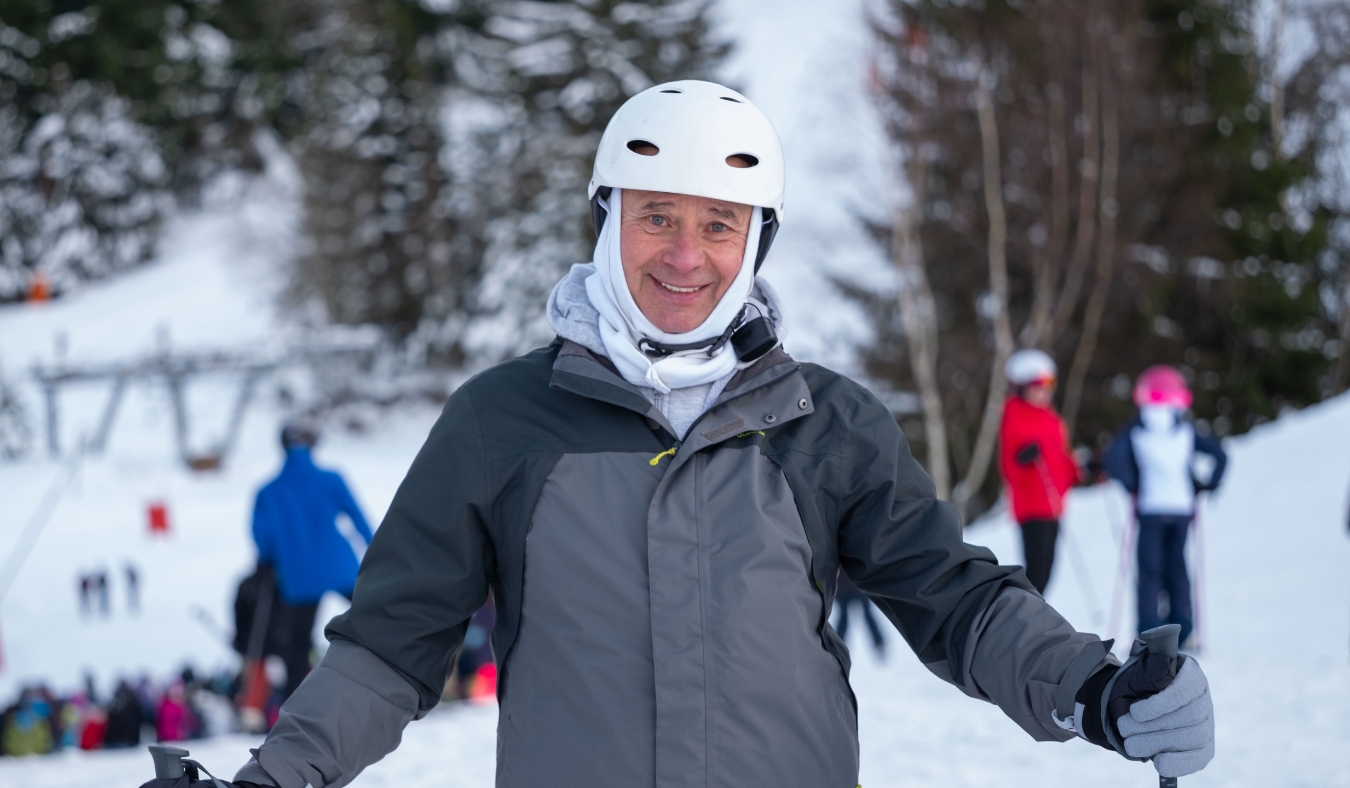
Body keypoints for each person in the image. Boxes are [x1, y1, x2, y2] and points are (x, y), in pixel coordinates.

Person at [225, 81, 1214, 788]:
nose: (686, 256)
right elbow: (388, 648)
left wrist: (1095, 687)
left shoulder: (827, 422)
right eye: (658, 218)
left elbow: (957, 600)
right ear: (609, 222)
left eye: (720, 224)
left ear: (756, 243)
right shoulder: (500, 420)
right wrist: (276, 776)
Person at [1105, 365, 1227, 647]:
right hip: (1182, 509)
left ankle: (1148, 631)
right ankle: (1183, 630)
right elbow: (1220, 455)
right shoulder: (1184, 429)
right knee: (1178, 569)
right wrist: (1206, 485)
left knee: (1150, 571)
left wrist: (1132, 484)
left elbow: (1114, 460)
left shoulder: (1137, 428)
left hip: (1150, 510)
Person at [250, 420, 372, 699]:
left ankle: (295, 702)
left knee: (298, 642)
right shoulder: (331, 479)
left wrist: (270, 561)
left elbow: (262, 537)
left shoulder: (268, 491)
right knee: (374, 616)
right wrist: (378, 549)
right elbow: (358, 517)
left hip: (297, 577)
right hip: (338, 566)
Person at [997, 349, 1081, 595]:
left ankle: (1032, 620)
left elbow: (1061, 457)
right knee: (1037, 569)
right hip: (1032, 505)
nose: (1044, 390)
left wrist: (1080, 470)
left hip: (1053, 505)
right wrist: (1022, 459)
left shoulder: (1050, 418)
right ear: (1021, 387)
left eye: (1049, 384)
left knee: (1047, 569)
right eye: (1037, 384)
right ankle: (1021, 620)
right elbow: (1009, 465)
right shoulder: (1014, 414)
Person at [833, 570, 886, 659]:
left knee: (867, 615)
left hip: (857, 586)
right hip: (846, 587)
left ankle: (879, 643)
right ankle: (837, 647)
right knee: (843, 618)